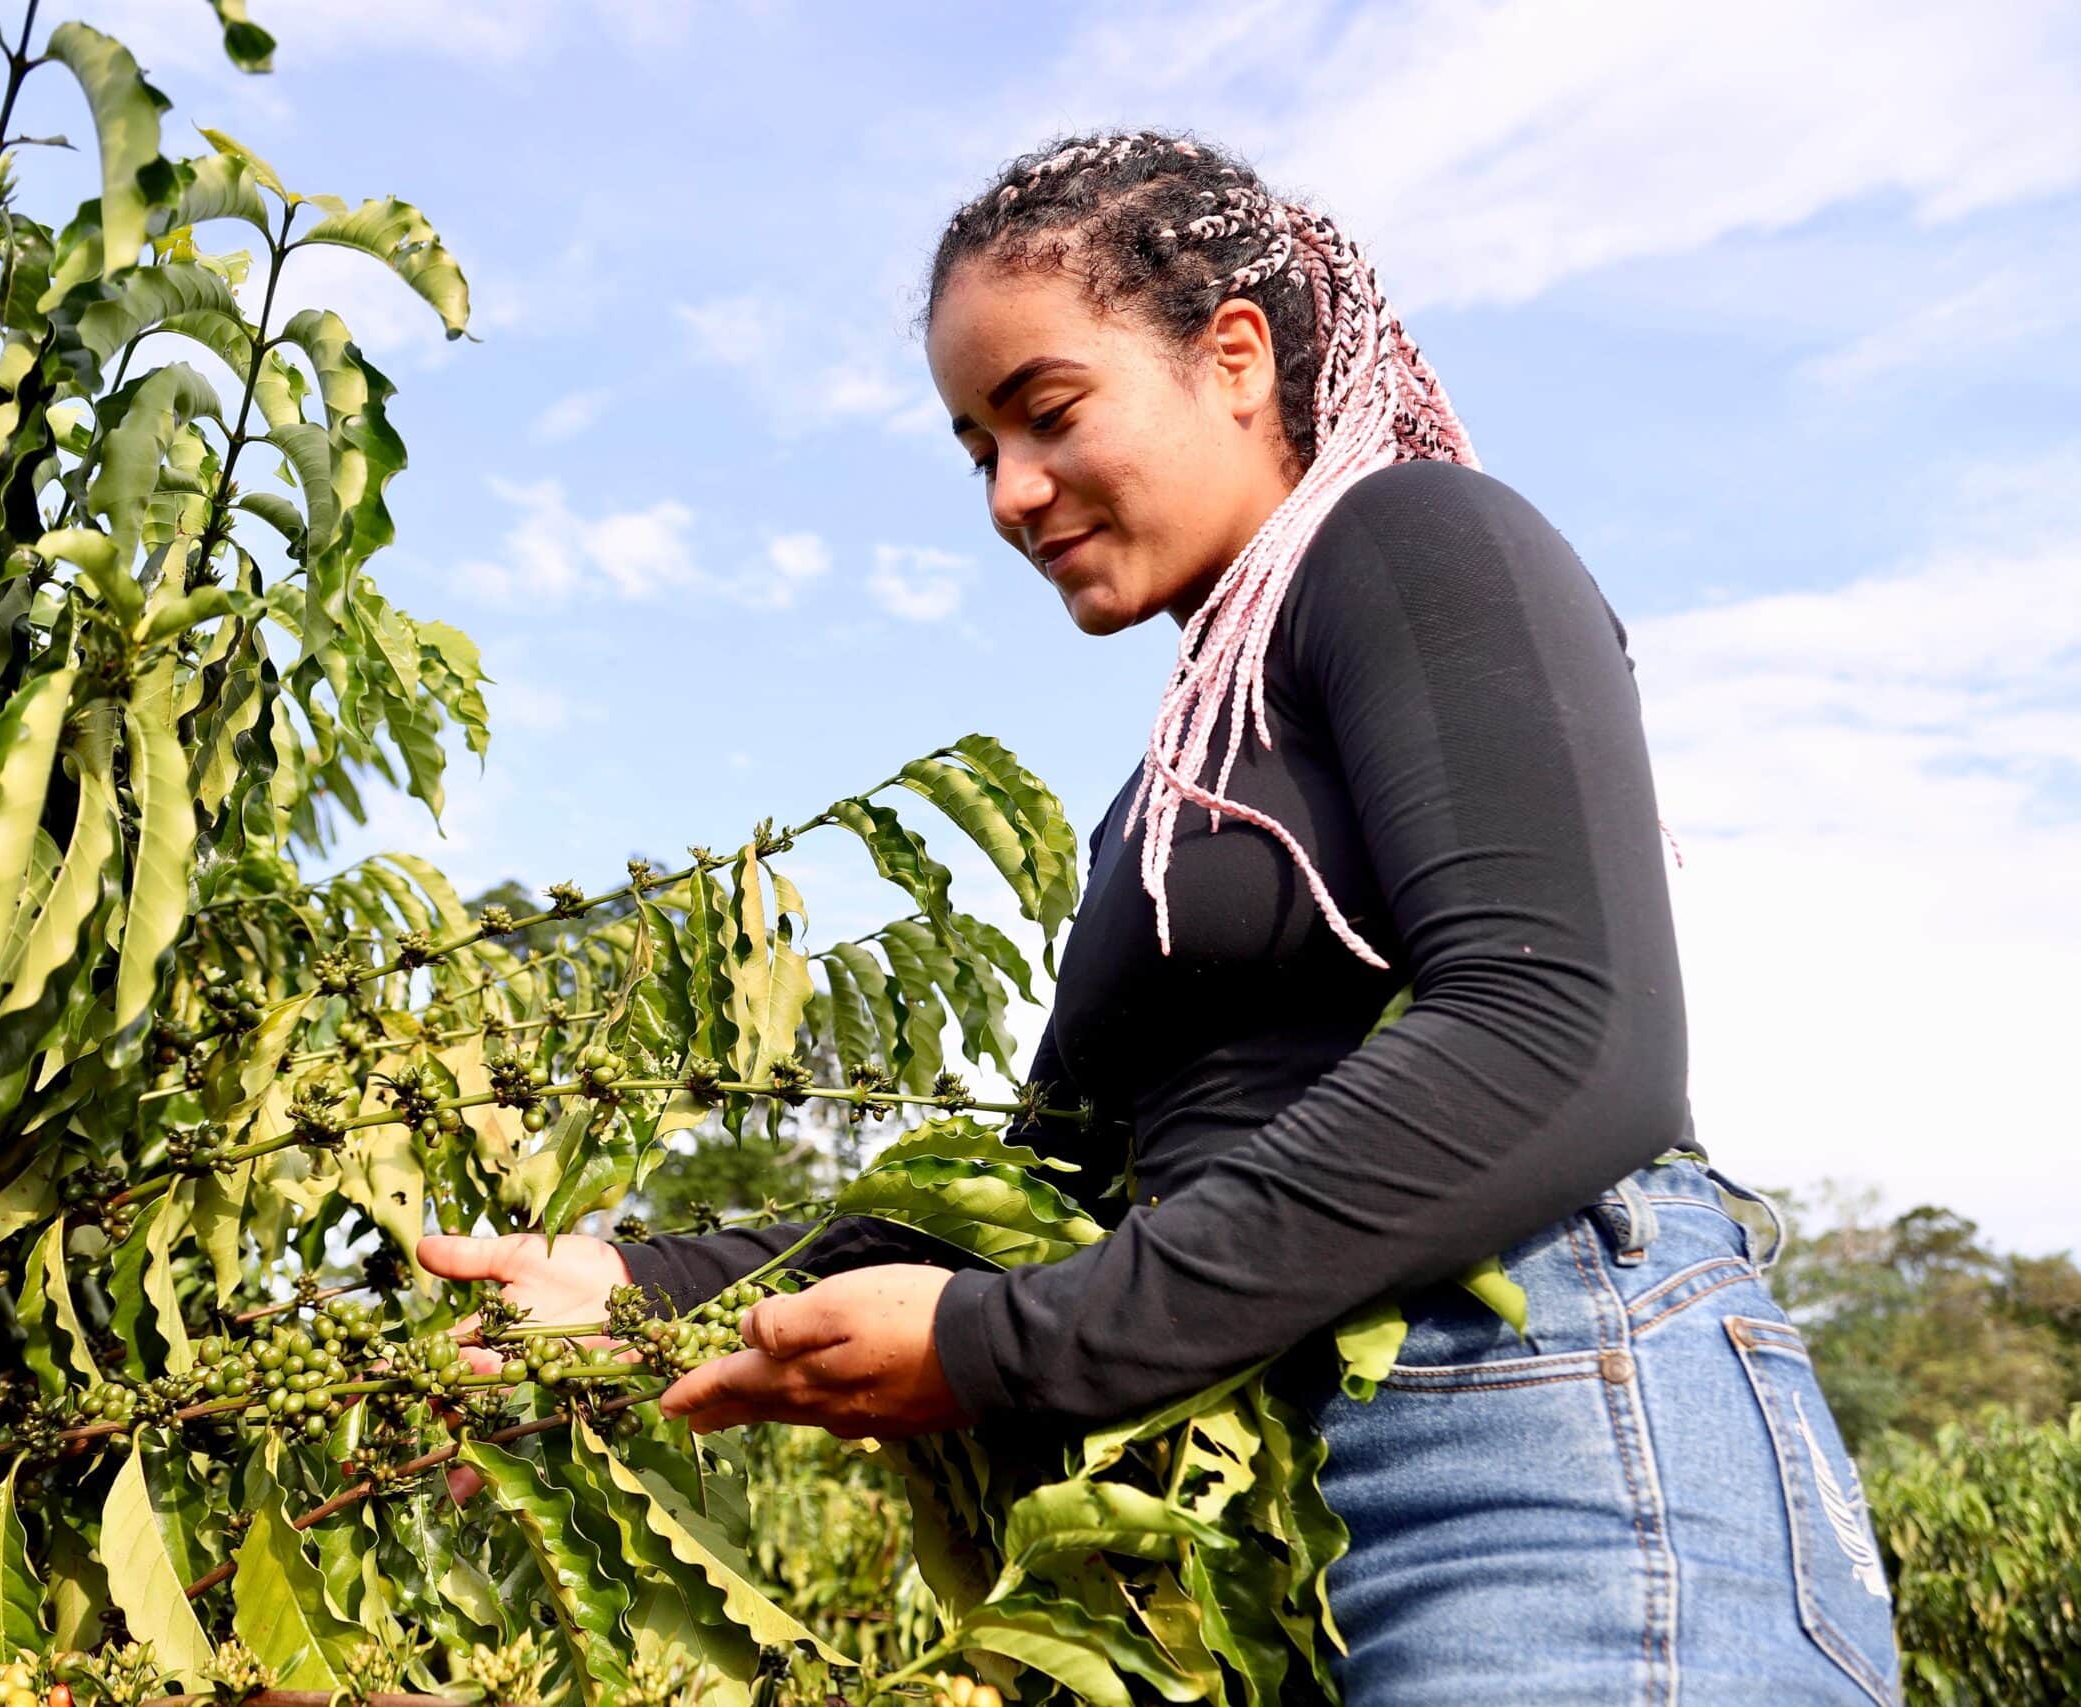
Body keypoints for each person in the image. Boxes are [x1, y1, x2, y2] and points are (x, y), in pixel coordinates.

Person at [421, 130, 1905, 1704]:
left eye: (1048, 415)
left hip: (1542, 1440)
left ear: (1238, 356)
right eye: (976, 446)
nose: (1010, 492)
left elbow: (1560, 1035)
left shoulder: (1412, 540)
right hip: (1314, 1497)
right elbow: (1057, 1184)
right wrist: (640, 1291)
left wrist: (1006, 1348)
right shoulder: (1185, 774)